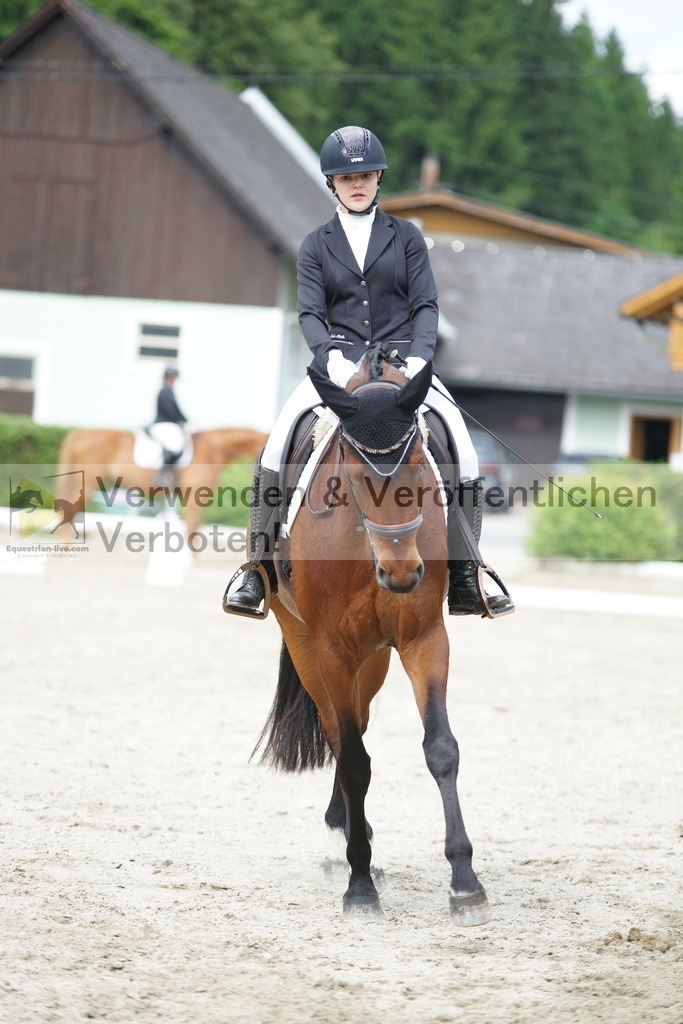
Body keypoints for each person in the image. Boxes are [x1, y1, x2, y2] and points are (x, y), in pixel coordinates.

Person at [226, 126, 513, 618]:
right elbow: (310, 314)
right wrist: (331, 357)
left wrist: (420, 355)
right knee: (276, 443)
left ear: (379, 178)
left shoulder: (406, 237)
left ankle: (467, 574)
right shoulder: (316, 244)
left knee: (462, 449)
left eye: (364, 175)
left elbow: (426, 303)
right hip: (337, 366)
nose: (356, 184)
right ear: (331, 184)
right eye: (345, 177)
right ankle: (256, 568)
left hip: (405, 363)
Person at [147, 366, 188, 484]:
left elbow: (177, 410)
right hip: (163, 424)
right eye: (171, 377)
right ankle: (162, 475)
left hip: (170, 425)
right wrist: (182, 420)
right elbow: (170, 411)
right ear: (166, 378)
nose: (173, 380)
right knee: (176, 446)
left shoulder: (170, 392)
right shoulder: (164, 392)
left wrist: (186, 420)